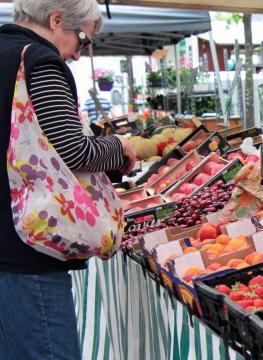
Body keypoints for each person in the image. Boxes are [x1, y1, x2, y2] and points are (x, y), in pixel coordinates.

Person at [0, 1, 136, 359]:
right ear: (56, 20)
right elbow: (73, 152)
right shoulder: (39, 62)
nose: (78, 53)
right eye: (82, 40)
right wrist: (120, 148)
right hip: (27, 249)